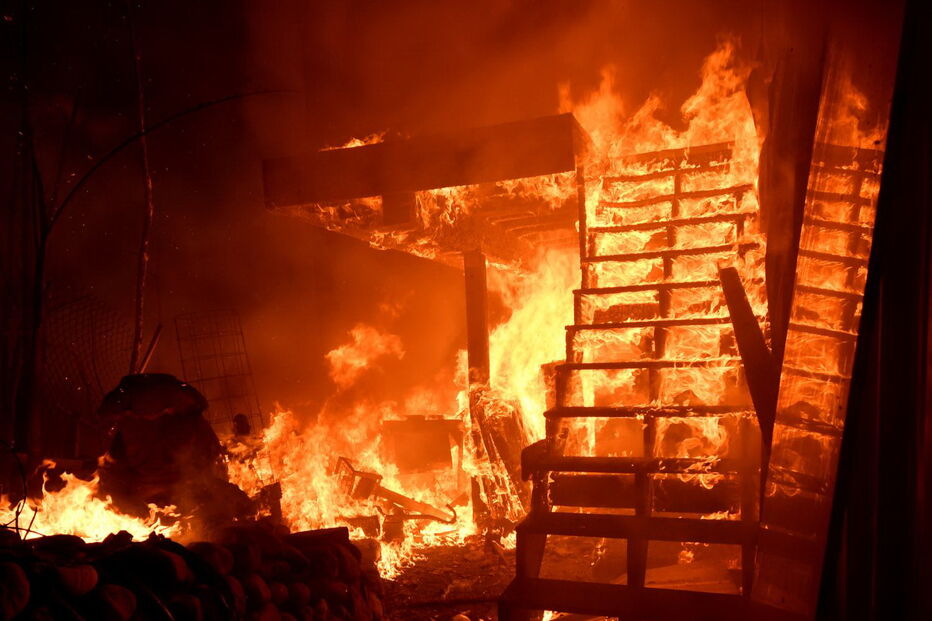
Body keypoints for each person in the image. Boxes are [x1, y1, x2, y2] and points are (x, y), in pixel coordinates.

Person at [96, 374, 253, 535]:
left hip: (190, 499)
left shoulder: (191, 425)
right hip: (144, 507)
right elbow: (113, 479)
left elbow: (212, 465)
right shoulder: (125, 434)